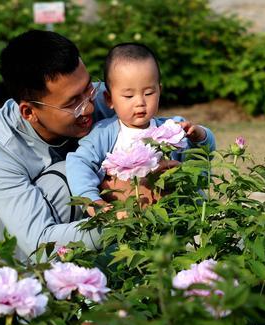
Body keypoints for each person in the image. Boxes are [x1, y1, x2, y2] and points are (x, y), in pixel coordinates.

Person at [0, 30, 116, 260]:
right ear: (29, 112)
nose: (89, 107)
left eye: (88, 88)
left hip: (52, 229)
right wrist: (126, 218)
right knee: (70, 173)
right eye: (72, 103)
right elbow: (39, 243)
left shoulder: (100, 99)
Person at [65, 43, 216, 211]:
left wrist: (200, 136)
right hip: (133, 215)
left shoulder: (171, 128)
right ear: (109, 99)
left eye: (149, 93)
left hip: (180, 213)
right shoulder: (103, 134)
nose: (140, 102)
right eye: (129, 95)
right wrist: (92, 200)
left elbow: (205, 154)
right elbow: (79, 163)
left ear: (159, 91)